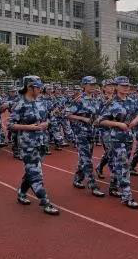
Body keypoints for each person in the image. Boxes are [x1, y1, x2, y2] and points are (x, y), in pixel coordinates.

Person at [9, 75, 59, 215]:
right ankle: (45, 202)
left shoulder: (41, 102)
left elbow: (49, 118)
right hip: (28, 144)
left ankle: (22, 192)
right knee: (36, 174)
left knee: (31, 171)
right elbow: (10, 125)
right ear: (30, 87)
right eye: (38, 87)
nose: (40, 89)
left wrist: (46, 123)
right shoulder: (20, 104)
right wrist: (30, 127)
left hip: (41, 142)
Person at [98, 76, 138, 209]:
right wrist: (118, 124)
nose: (126, 88)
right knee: (124, 166)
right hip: (116, 138)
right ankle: (127, 196)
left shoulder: (131, 101)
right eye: (123, 86)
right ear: (117, 87)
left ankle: (113, 186)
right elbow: (101, 121)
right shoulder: (111, 103)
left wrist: (135, 121)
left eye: (127, 86)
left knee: (120, 165)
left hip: (128, 138)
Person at [68, 76, 106, 197]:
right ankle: (93, 185)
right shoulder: (79, 100)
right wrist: (83, 118)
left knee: (85, 157)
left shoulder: (96, 100)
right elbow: (67, 114)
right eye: (90, 84)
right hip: (81, 133)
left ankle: (77, 179)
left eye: (94, 84)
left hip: (92, 132)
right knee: (87, 159)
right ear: (84, 86)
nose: (93, 87)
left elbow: (99, 114)